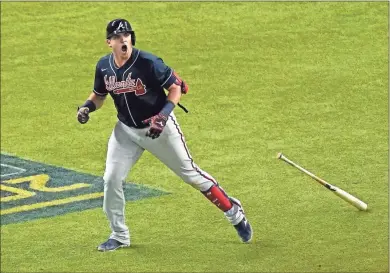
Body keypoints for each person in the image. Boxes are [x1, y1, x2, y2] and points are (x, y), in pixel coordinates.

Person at [77, 18, 253, 252]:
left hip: (159, 127)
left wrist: (163, 115)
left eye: (127, 35)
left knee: (191, 175)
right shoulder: (103, 66)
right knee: (111, 179)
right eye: (118, 37)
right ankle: (119, 235)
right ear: (109, 42)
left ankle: (234, 212)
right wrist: (87, 107)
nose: (124, 40)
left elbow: (176, 87)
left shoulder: (148, 62)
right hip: (126, 131)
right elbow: (99, 94)